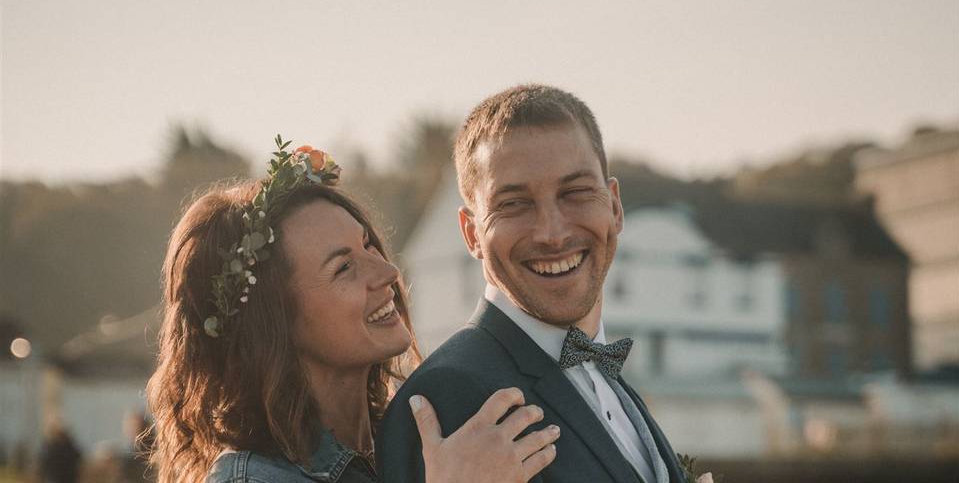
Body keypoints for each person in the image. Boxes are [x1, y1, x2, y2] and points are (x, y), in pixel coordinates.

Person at [146, 138, 558, 483]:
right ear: (272, 323)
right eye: (343, 267)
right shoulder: (253, 479)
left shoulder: (420, 437)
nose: (387, 271)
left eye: (368, 245)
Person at [378, 85, 685, 483]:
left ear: (614, 206)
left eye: (575, 192)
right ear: (471, 233)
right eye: (514, 204)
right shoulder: (451, 394)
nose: (552, 234)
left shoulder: (614, 385)